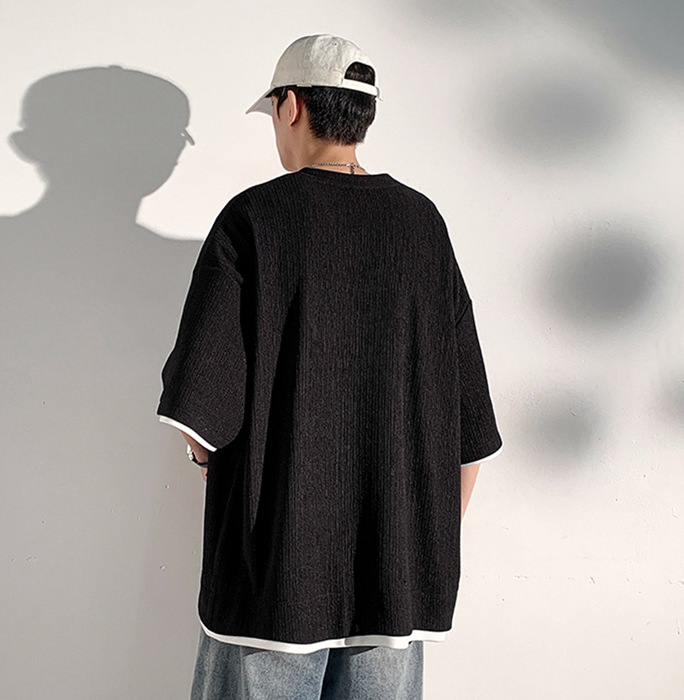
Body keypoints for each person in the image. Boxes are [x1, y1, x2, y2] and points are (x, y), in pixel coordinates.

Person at [157, 33, 503, 700]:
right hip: (395, 587)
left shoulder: (255, 220)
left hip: (274, 586)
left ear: (291, 105)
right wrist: (412, 541)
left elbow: (202, 407)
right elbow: (469, 427)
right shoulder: (423, 225)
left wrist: (206, 457)